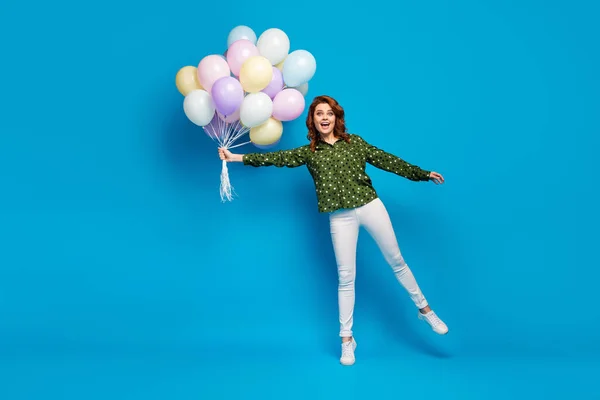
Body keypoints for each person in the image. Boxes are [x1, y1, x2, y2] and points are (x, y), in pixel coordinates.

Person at [218, 95, 448, 366]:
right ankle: (347, 340)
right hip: (340, 217)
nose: (324, 118)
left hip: (370, 205)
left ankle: (424, 309)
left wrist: (422, 174)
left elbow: (387, 160)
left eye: (329, 113)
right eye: (319, 114)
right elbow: (276, 158)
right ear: (313, 120)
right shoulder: (309, 152)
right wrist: (237, 158)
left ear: (337, 118)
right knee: (345, 277)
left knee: (396, 261)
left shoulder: (355, 143)